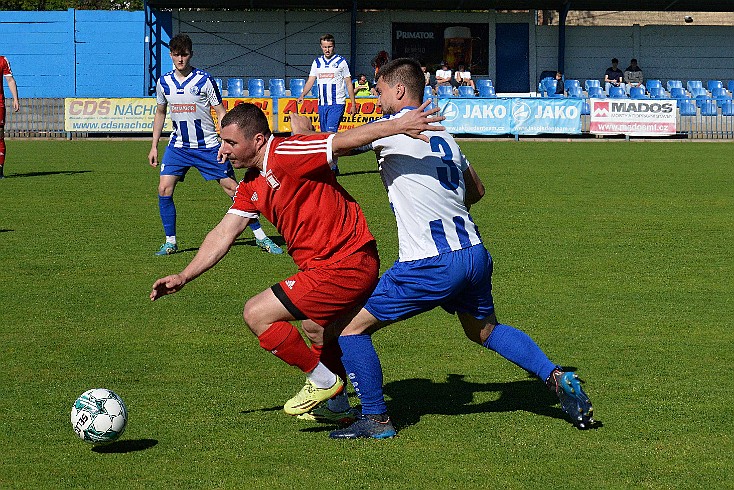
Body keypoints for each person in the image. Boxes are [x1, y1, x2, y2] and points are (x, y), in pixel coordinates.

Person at [325, 58, 595, 439]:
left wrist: (310, 135)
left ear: (399, 90)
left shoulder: (389, 131)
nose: (377, 97)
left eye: (381, 90)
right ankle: (555, 376)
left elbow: (335, 147)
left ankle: (377, 418)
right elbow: (477, 191)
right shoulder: (445, 136)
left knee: (350, 329)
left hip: (430, 263)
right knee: (484, 330)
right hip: (473, 252)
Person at [149, 101, 444, 423]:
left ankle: (323, 381)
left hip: (347, 262)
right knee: (317, 328)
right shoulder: (250, 184)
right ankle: (339, 407)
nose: (224, 150)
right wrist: (184, 275)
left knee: (256, 313)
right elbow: (224, 233)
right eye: (223, 141)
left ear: (258, 140)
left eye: (231, 142)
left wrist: (400, 124)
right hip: (328, 266)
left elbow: (345, 140)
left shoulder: (288, 152)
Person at [148, 34, 282, 256]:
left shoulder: (204, 80)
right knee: (164, 189)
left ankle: (261, 236)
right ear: (170, 55)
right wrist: (154, 146)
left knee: (233, 189)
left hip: (208, 146)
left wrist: (225, 143)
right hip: (178, 146)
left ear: (191, 54)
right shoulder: (164, 83)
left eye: (184, 54)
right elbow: (160, 113)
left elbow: (221, 113)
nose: (180, 59)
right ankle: (170, 242)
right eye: (176, 54)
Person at [297, 34, 357, 175]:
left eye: (329, 47)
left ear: (334, 46)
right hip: (322, 104)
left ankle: (332, 167)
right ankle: (331, 166)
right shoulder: (317, 62)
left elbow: (349, 83)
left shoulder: (341, 62)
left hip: (337, 103)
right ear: (321, 47)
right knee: (324, 137)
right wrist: (302, 95)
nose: (327, 50)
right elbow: (311, 80)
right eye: (324, 47)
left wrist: (353, 103)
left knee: (330, 135)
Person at [0, 54, 20, 180]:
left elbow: (10, 80)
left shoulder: (3, 60)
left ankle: (0, 170)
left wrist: (15, 98)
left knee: (0, 136)